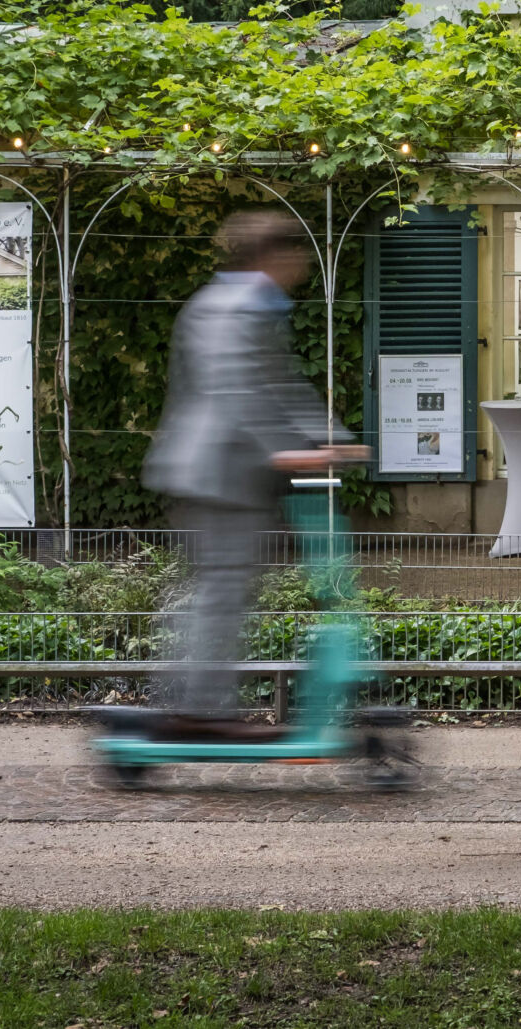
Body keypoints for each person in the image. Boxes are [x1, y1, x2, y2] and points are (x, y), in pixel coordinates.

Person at [142, 210, 367, 739]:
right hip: (217, 474)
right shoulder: (234, 308)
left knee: (223, 589)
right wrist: (287, 452)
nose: (301, 270)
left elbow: (278, 388)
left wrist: (330, 436)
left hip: (227, 473)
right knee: (220, 591)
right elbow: (236, 389)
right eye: (297, 260)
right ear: (275, 258)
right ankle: (197, 708)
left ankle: (196, 703)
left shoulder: (246, 306)